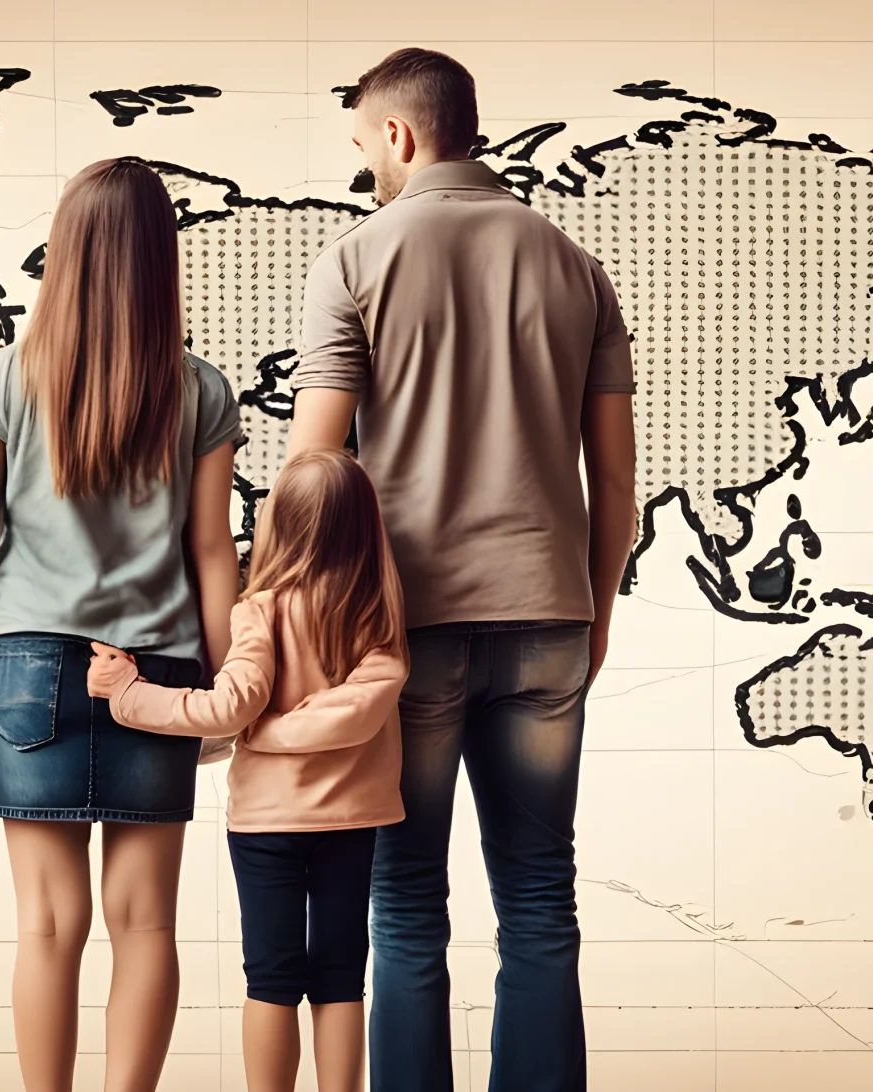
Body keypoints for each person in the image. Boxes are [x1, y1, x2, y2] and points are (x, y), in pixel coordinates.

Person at [288, 48, 640, 1092]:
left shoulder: (353, 260)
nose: (365, 169)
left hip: (405, 631)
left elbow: (314, 470)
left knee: (403, 902)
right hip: (548, 619)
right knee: (538, 897)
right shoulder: (575, 266)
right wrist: (593, 611)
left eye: (362, 145)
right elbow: (613, 481)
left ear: (397, 133)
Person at [0, 157, 243, 1092]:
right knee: (146, 920)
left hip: (26, 664)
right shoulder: (201, 390)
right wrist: (228, 688)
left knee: (45, 923)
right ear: (163, 257)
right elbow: (210, 552)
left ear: (63, 252)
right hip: (156, 671)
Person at [84, 449, 407, 1092]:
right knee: (342, 977)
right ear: (366, 524)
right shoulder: (380, 613)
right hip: (355, 820)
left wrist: (129, 693)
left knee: (272, 976)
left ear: (278, 526)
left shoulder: (258, 610)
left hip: (265, 825)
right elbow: (357, 713)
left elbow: (232, 708)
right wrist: (292, 724)